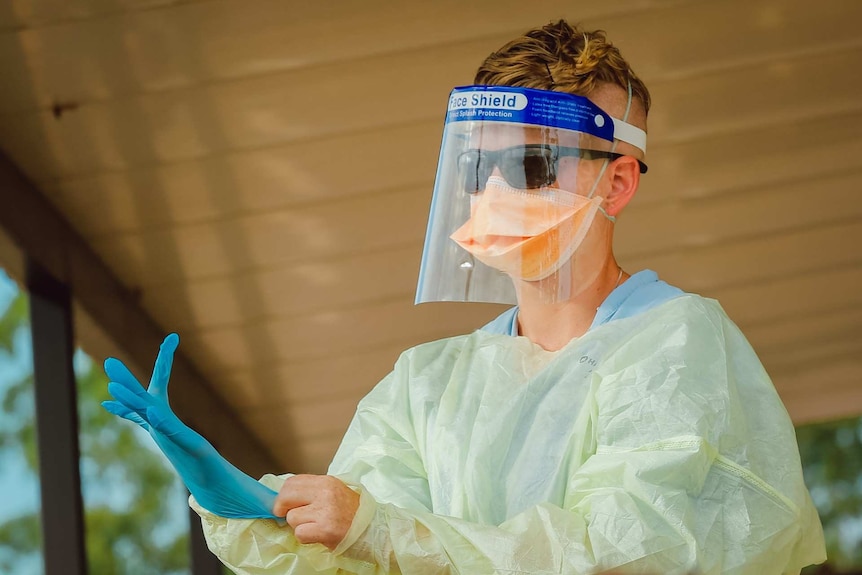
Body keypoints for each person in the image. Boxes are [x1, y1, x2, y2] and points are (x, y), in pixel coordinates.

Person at [103, 20, 827, 574]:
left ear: (618, 182)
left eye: (535, 162)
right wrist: (250, 509)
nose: (500, 191)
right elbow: (356, 552)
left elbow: (621, 550)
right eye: (482, 165)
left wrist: (377, 527)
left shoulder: (676, 343)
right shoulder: (428, 386)